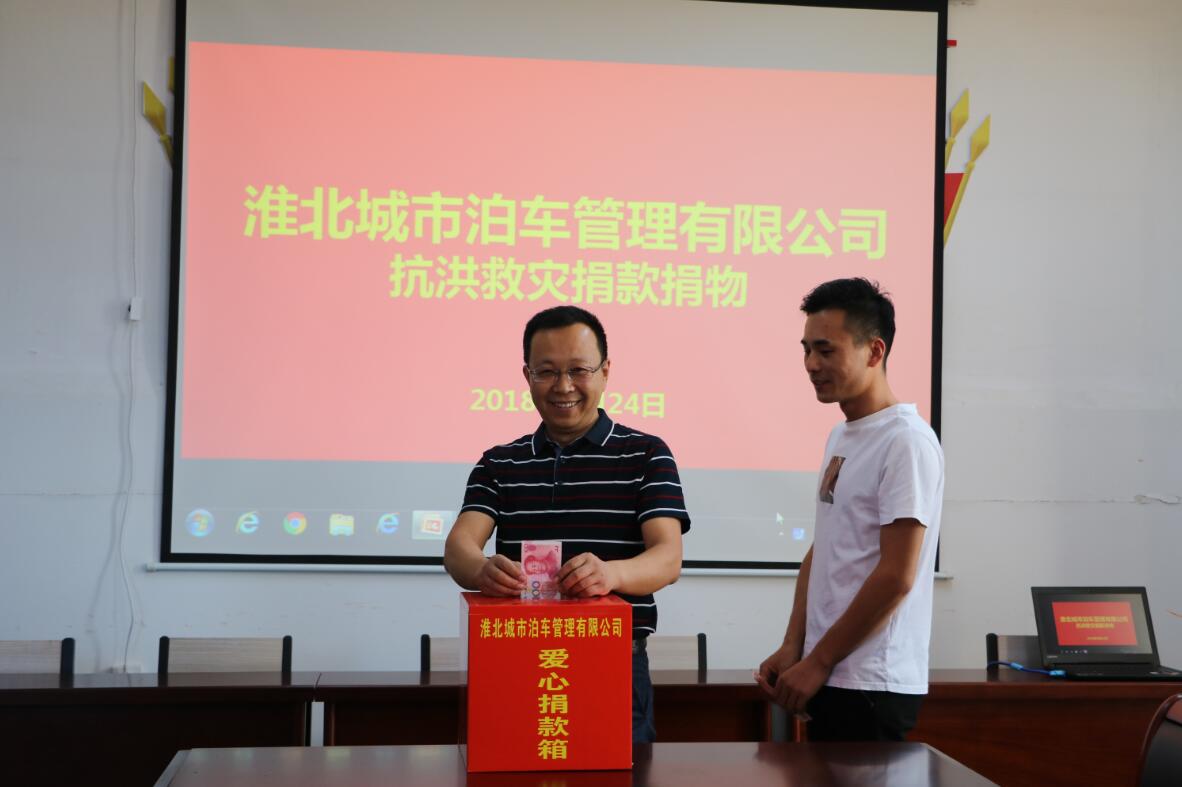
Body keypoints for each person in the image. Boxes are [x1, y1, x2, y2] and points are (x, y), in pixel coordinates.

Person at [444, 305, 690, 743]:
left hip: (613, 661)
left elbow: (667, 558)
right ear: (527, 376)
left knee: (618, 771)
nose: (563, 386)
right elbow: (458, 547)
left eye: (579, 370)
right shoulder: (499, 463)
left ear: (605, 371)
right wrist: (482, 571)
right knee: (512, 769)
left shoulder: (647, 455)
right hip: (515, 661)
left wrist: (610, 574)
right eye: (547, 372)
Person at [756, 277, 944, 741]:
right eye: (806, 350)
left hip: (872, 683)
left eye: (826, 350)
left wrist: (819, 661)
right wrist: (794, 646)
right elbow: (823, 548)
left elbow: (897, 575)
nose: (811, 364)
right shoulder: (842, 435)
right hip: (830, 672)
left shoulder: (905, 441)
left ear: (874, 351)